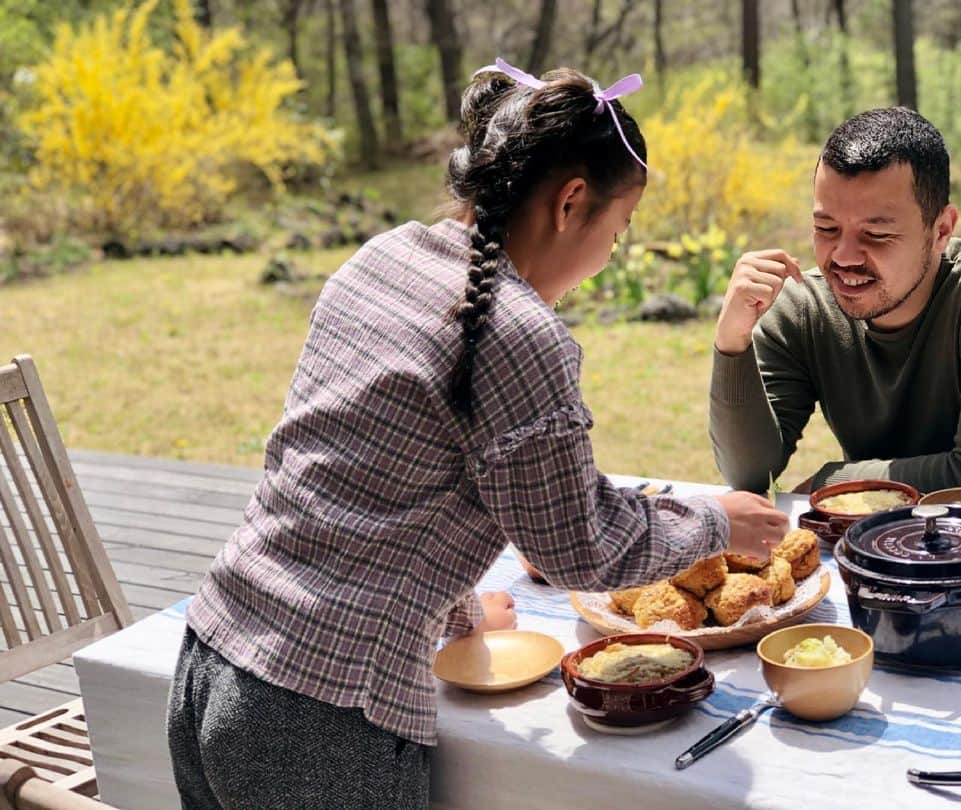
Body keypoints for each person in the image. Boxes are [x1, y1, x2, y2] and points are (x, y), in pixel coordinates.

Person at [167, 58, 788, 810]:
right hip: (319, 719)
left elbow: (366, 486)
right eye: (619, 228)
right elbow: (578, 546)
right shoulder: (518, 333)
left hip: (212, 660)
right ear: (571, 204)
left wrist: (457, 610)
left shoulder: (382, 257)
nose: (612, 252)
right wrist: (716, 521)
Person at [709, 106, 961, 522]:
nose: (844, 257)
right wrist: (731, 344)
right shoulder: (803, 306)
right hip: (883, 545)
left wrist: (833, 480)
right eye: (827, 229)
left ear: (941, 230)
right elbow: (750, 474)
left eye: (877, 235)